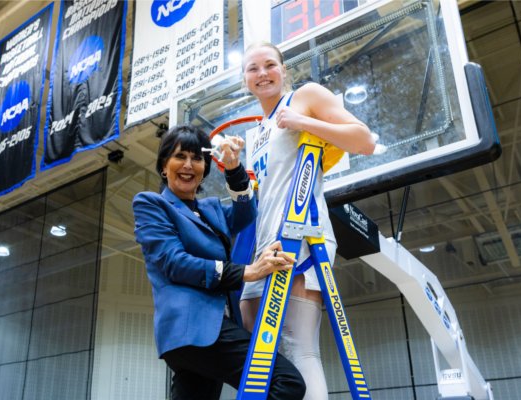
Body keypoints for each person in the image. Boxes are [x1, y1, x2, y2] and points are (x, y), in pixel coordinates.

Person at [239, 42, 376, 400]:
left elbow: (365, 141)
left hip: (300, 237)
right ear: (245, 80)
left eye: (270, 64)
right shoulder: (259, 132)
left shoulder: (304, 97)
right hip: (264, 247)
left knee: (300, 349)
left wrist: (302, 121)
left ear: (284, 70)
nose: (263, 73)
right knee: (261, 357)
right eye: (253, 68)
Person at [132, 124, 306, 400]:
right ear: (164, 166)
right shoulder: (151, 204)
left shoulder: (211, 209)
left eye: (197, 158)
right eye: (180, 156)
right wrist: (247, 271)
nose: (189, 165)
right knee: (286, 382)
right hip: (194, 327)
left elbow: (246, 213)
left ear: (204, 169)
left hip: (209, 330)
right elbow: (175, 263)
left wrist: (234, 167)